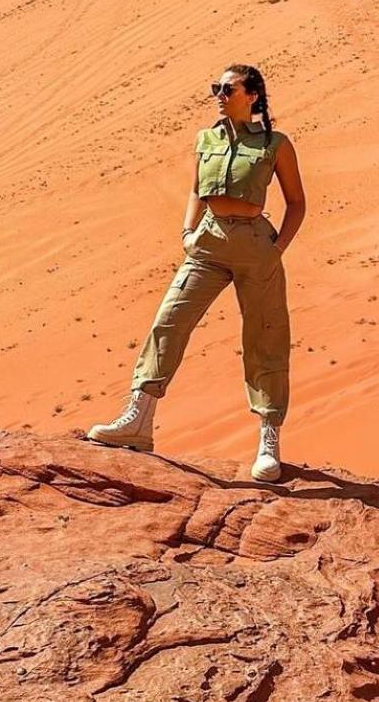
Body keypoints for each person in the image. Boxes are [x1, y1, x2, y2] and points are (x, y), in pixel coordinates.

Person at [87, 63, 306, 482]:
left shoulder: (276, 144)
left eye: (228, 88)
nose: (219, 95)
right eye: (215, 88)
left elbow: (296, 202)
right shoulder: (205, 139)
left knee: (265, 337)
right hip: (207, 244)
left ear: (253, 95)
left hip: (255, 248)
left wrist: (276, 249)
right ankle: (138, 419)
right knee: (169, 320)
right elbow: (195, 189)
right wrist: (188, 232)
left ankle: (268, 438)